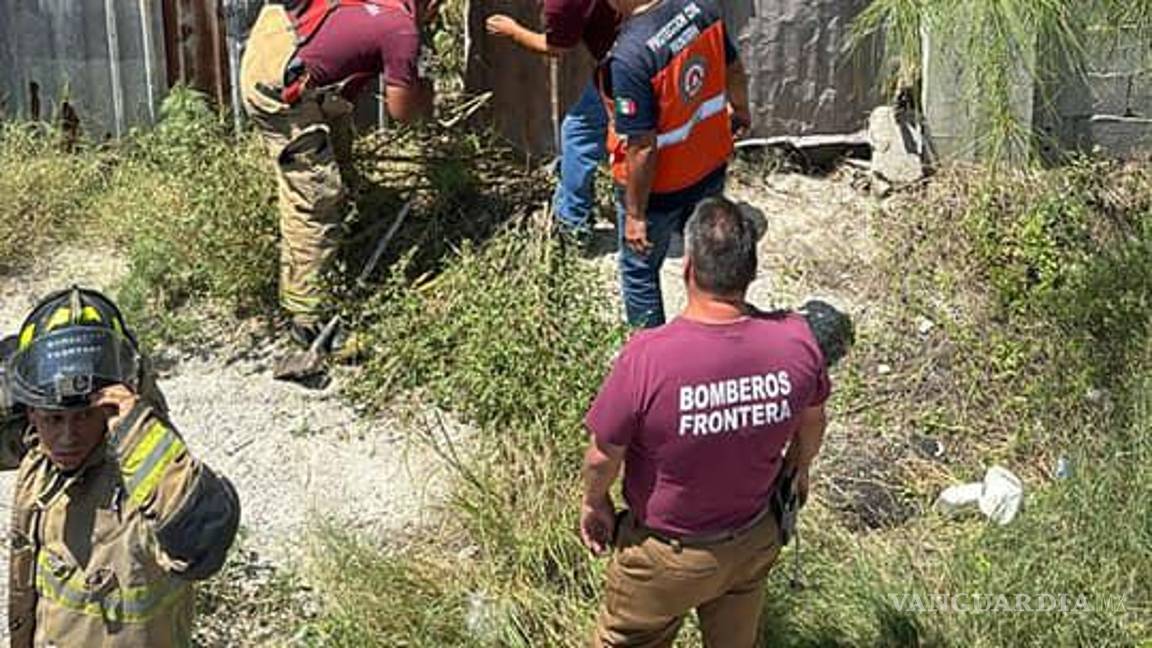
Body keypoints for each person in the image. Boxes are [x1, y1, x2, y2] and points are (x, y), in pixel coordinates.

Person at [580, 198, 831, 647]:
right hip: (754, 537)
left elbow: (603, 456)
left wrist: (594, 502)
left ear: (688, 268)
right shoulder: (796, 341)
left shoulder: (648, 358)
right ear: (750, 272)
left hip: (666, 557)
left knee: (628, 639)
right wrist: (799, 468)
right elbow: (812, 424)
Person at [0, 287, 241, 646]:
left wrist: (136, 428)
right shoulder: (37, 447)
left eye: (85, 416)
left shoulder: (145, 469)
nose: (67, 437)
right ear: (30, 412)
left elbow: (203, 540)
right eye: (53, 418)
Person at [240, 0, 435, 347]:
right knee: (314, 198)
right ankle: (309, 321)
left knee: (339, 166)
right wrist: (424, 85)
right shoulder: (401, 29)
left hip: (281, 40)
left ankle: (340, 250)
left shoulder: (383, 9)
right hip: (280, 85)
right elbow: (403, 113)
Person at [599, 0, 749, 327]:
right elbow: (734, 68)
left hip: (659, 191)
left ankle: (652, 349)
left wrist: (635, 214)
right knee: (708, 257)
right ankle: (716, 331)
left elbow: (642, 146)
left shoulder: (630, 57)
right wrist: (741, 110)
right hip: (708, 165)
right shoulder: (701, 9)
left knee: (640, 271)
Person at [485, 0, 620, 236]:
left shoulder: (562, 3)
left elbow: (556, 47)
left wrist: (513, 31)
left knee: (579, 134)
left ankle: (572, 225)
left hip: (628, 61)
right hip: (661, 41)